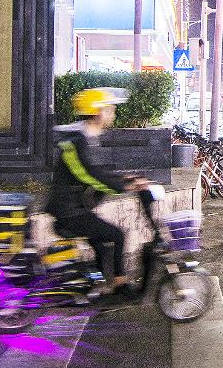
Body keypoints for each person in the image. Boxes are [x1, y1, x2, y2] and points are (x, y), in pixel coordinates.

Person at [45, 88, 148, 297]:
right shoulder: (74, 141)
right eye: (109, 109)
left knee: (102, 243)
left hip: (75, 207)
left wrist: (127, 179)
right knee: (117, 235)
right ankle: (119, 285)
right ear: (97, 112)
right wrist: (123, 187)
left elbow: (97, 171)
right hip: (68, 210)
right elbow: (86, 174)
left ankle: (101, 286)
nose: (112, 113)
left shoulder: (85, 136)